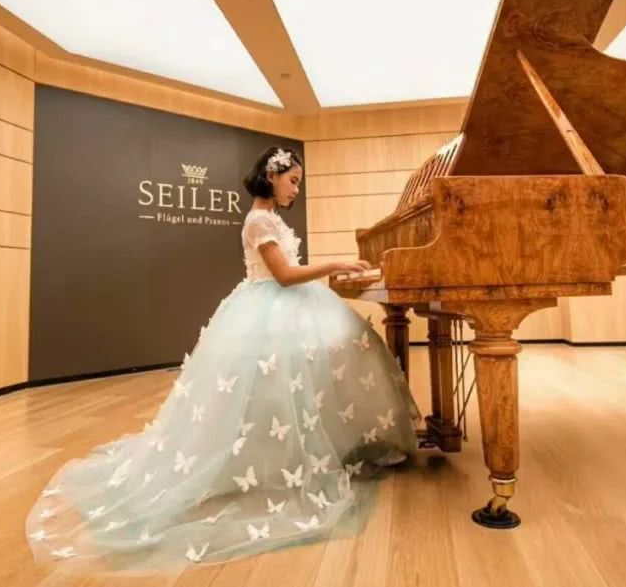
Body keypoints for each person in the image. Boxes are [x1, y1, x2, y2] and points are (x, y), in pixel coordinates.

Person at [26, 146, 420, 575]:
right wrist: (335, 264)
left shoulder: (269, 219)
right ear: (272, 176)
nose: (296, 190)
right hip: (272, 305)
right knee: (292, 377)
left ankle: (329, 443)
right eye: (293, 181)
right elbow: (284, 276)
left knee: (333, 356)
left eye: (299, 183)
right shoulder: (259, 221)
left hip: (282, 305)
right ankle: (283, 457)